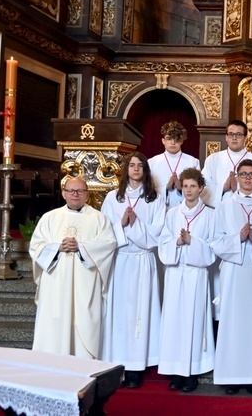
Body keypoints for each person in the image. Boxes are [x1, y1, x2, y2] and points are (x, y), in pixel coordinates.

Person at [29, 177, 116, 359]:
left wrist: (81, 247)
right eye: (71, 191)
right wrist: (57, 247)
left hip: (85, 284)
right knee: (55, 327)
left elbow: (108, 245)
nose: (75, 194)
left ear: (87, 194)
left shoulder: (99, 219)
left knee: (83, 324)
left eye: (80, 191)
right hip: (56, 283)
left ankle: (84, 367)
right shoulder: (50, 218)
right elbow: (36, 247)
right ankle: (51, 368)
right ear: (63, 193)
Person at [100, 152, 166, 388]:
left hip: (142, 260)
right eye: (132, 165)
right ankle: (118, 363)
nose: (136, 169)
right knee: (120, 313)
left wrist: (135, 225)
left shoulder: (155, 199)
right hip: (120, 260)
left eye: (140, 165)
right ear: (126, 169)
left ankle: (137, 366)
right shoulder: (112, 198)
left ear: (145, 171)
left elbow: (157, 234)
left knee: (141, 311)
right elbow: (104, 231)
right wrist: (122, 225)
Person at [212, 159, 252, 393]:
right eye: (244, 174)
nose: (248, 178)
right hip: (233, 270)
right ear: (236, 177)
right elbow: (216, 242)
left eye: (251, 174)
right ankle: (231, 377)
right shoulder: (224, 206)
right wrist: (237, 239)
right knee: (232, 321)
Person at [158, 168, 217, 393]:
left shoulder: (210, 215)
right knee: (174, 321)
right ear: (181, 188)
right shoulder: (173, 214)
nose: (189, 190)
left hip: (196, 274)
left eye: (193, 186)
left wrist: (193, 241)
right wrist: (177, 242)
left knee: (194, 321)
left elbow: (212, 248)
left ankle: (191, 371)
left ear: (201, 188)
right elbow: (163, 243)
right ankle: (175, 371)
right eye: (185, 186)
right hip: (175, 273)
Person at [201, 119, 252, 205]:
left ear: (245, 138)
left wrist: (239, 188)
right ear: (226, 137)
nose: (234, 138)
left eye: (239, 135)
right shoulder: (212, 159)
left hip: (247, 209)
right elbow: (202, 187)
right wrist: (223, 188)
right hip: (218, 210)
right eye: (231, 134)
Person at [148, 121, 201, 210]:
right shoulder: (152, 162)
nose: (173, 142)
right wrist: (166, 188)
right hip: (160, 209)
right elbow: (147, 190)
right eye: (169, 138)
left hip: (185, 209)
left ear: (181, 141)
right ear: (163, 141)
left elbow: (199, 189)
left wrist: (182, 188)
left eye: (176, 139)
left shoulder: (192, 161)